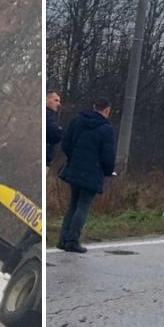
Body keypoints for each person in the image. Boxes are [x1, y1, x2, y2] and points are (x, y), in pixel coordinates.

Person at [57, 96, 116, 253]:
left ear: (94, 106)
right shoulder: (106, 129)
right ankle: (73, 240)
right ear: (106, 110)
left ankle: (63, 239)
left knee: (73, 204)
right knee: (83, 206)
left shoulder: (78, 121)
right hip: (92, 172)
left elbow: (66, 144)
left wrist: (73, 159)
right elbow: (108, 156)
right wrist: (108, 171)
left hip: (74, 169)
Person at [45, 90, 62, 166]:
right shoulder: (46, 116)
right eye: (56, 100)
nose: (58, 104)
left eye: (59, 101)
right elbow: (55, 134)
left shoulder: (51, 116)